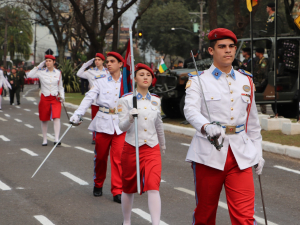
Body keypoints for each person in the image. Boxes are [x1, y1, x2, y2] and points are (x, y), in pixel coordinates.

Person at [184, 28, 264, 225]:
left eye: (231, 46)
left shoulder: (246, 80)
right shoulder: (198, 80)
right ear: (211, 51)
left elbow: (252, 122)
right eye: (222, 47)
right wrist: (205, 126)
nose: (228, 51)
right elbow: (190, 110)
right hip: (209, 153)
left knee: (245, 218)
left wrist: (258, 152)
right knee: (205, 214)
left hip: (241, 154)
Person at [69, 52, 126, 203]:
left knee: (118, 159)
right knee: (100, 157)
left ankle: (117, 190)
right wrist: (78, 114)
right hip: (103, 123)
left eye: (112, 61)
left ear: (121, 64)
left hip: (120, 124)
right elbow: (89, 97)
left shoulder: (127, 83)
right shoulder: (100, 81)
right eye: (108, 61)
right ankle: (98, 183)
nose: (109, 64)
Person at [118, 63, 166, 225]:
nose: (145, 77)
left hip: (152, 148)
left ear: (152, 79)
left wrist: (163, 144)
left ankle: (155, 223)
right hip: (132, 147)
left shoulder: (156, 101)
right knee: (128, 187)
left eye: (148, 75)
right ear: (135, 78)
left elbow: (158, 124)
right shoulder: (125, 100)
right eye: (142, 74)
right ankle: (126, 220)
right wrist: (130, 118)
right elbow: (121, 126)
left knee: (153, 186)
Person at [27, 55, 65, 146]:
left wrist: (62, 97)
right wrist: (39, 66)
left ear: (54, 62)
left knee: (56, 117)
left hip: (55, 98)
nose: (48, 62)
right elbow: (29, 75)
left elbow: (60, 87)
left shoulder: (58, 73)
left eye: (49, 61)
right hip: (45, 98)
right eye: (46, 61)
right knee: (44, 119)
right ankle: (45, 139)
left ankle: (56, 139)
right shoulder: (41, 72)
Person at [76, 53, 108, 144]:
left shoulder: (107, 72)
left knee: (104, 118)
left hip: (105, 100)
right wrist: (86, 65)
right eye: (96, 60)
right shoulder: (90, 71)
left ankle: (103, 136)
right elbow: (79, 74)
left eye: (99, 60)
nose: (97, 61)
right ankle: (94, 137)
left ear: (103, 61)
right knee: (94, 119)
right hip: (94, 100)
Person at [254, 48, 268, 113]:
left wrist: (256, 73)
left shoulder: (264, 61)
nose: (255, 53)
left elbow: (263, 70)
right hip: (258, 81)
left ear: (260, 53)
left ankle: (263, 111)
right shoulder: (258, 61)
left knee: (261, 97)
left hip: (262, 81)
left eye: (256, 52)